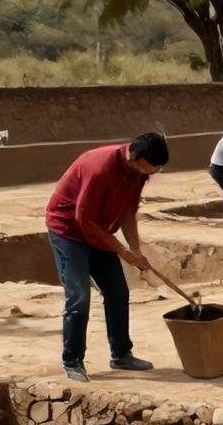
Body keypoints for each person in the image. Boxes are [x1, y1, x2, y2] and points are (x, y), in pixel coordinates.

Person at [45, 133, 169, 382]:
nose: (151, 174)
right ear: (137, 157)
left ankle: (121, 354)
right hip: (69, 232)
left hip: (99, 231)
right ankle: (72, 361)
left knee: (118, 292)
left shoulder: (138, 173)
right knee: (79, 296)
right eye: (151, 168)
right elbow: (84, 219)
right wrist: (121, 251)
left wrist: (136, 250)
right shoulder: (99, 167)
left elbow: (127, 211)